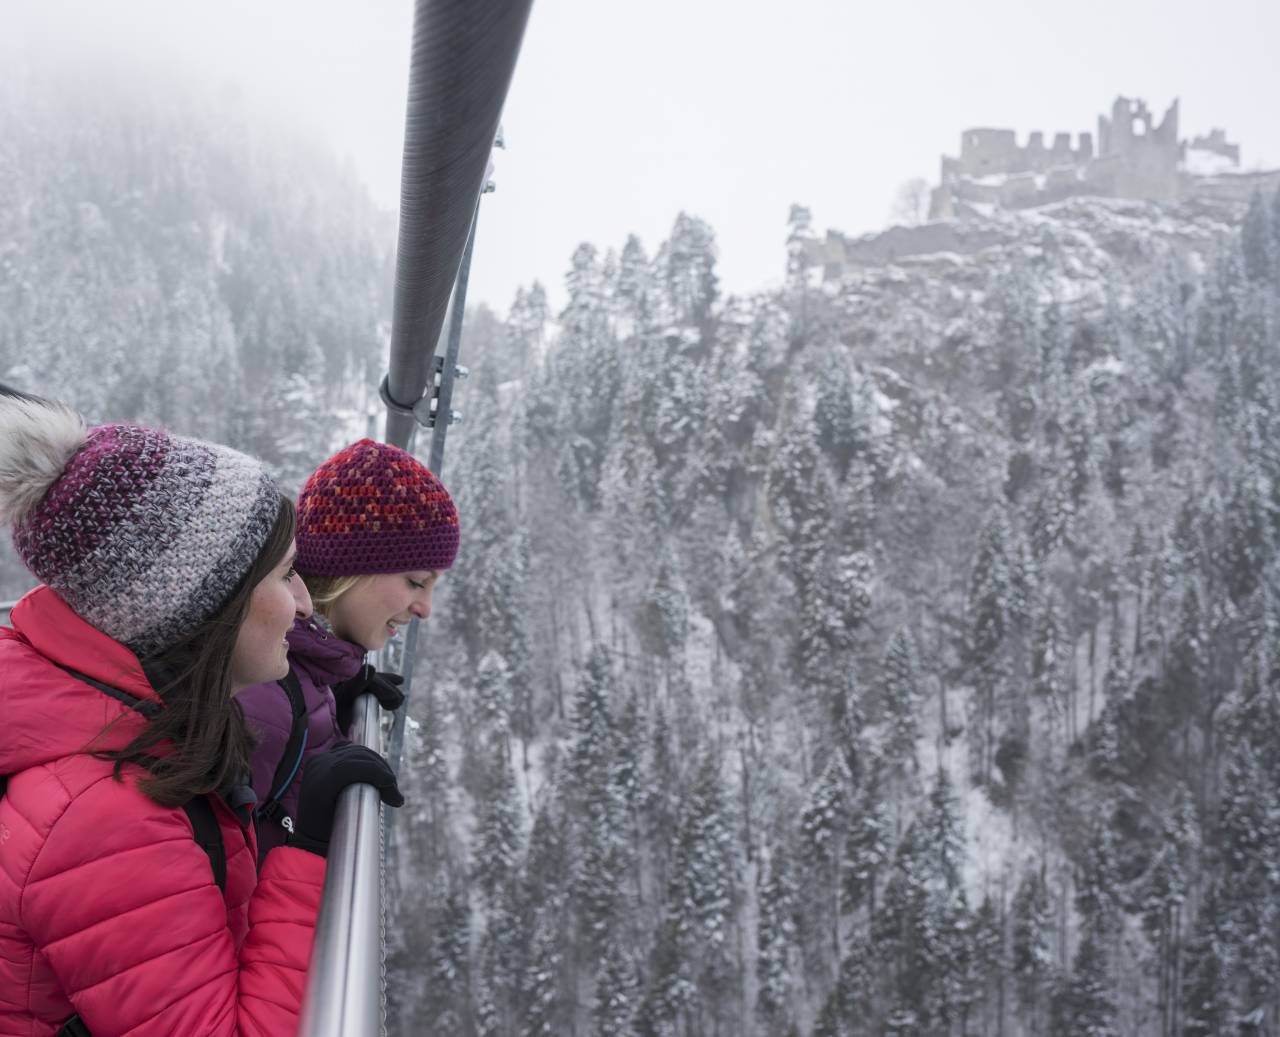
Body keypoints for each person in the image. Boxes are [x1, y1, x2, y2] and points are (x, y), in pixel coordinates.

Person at [0, 386, 403, 1037]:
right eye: (287, 574)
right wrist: (313, 852)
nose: (305, 606)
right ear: (204, 609)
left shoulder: (135, 735)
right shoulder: (105, 815)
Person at [238, 438, 458, 860]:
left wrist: (336, 693)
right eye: (415, 581)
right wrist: (309, 844)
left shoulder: (300, 675)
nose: (425, 609)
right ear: (350, 571)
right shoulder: (264, 695)